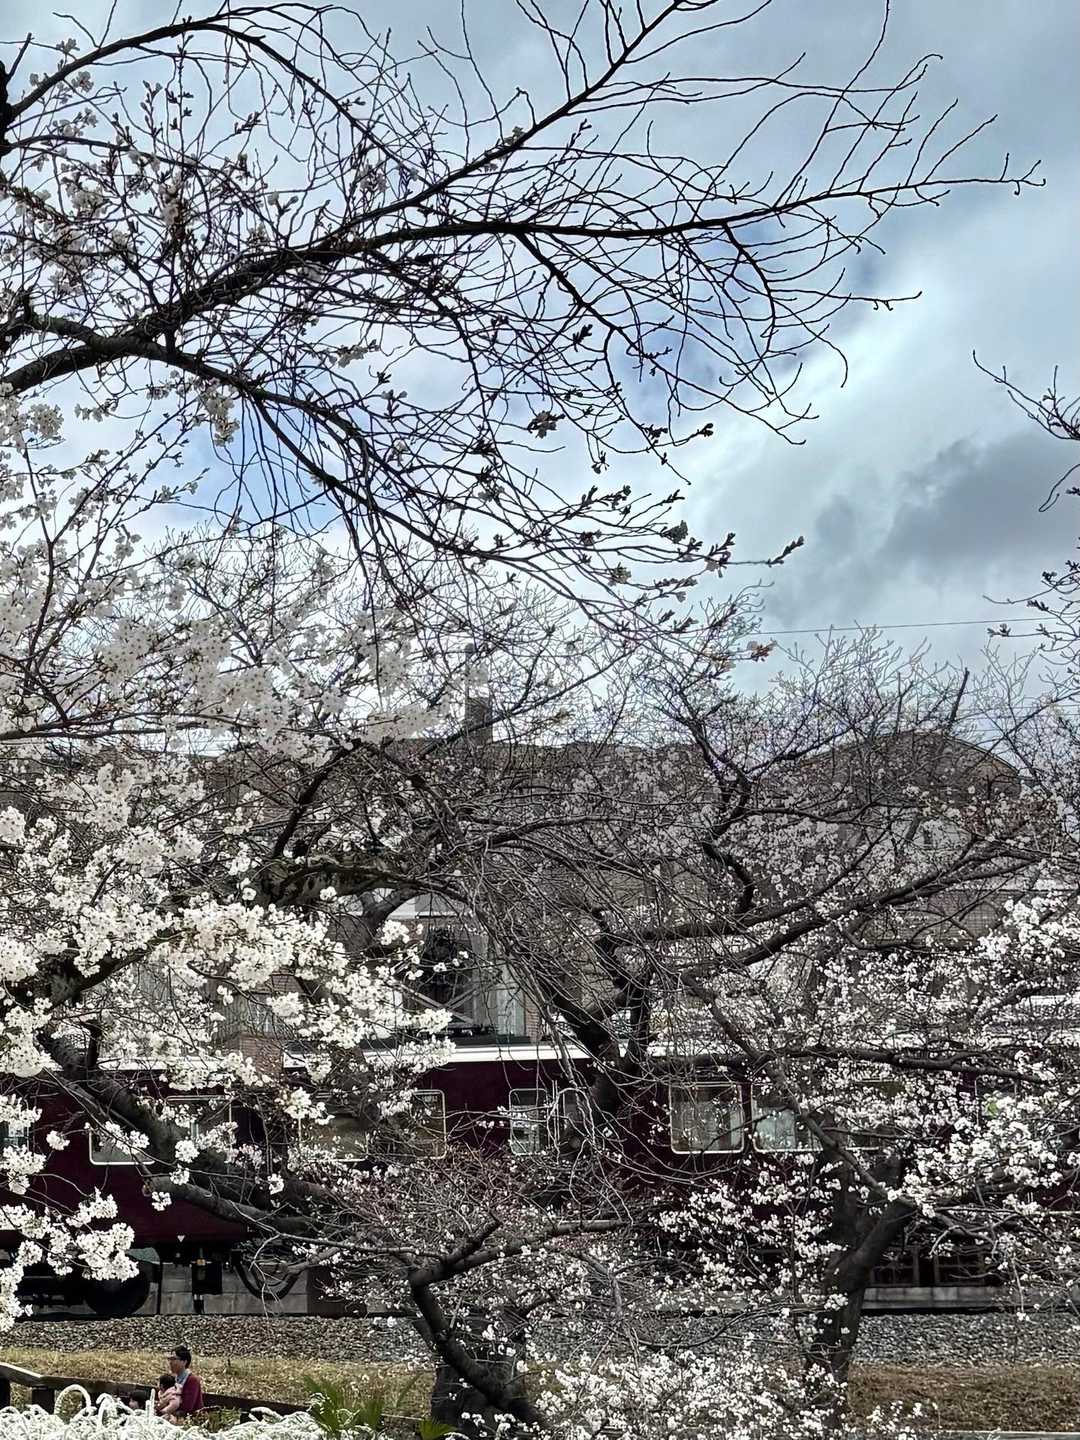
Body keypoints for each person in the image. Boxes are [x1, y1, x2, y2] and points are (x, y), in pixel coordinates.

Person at [163, 1346, 204, 1421]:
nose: (170, 1362)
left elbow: (187, 1407)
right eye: (169, 1359)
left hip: (190, 1420)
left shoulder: (192, 1380)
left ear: (184, 1362)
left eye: (174, 1359)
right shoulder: (174, 1379)